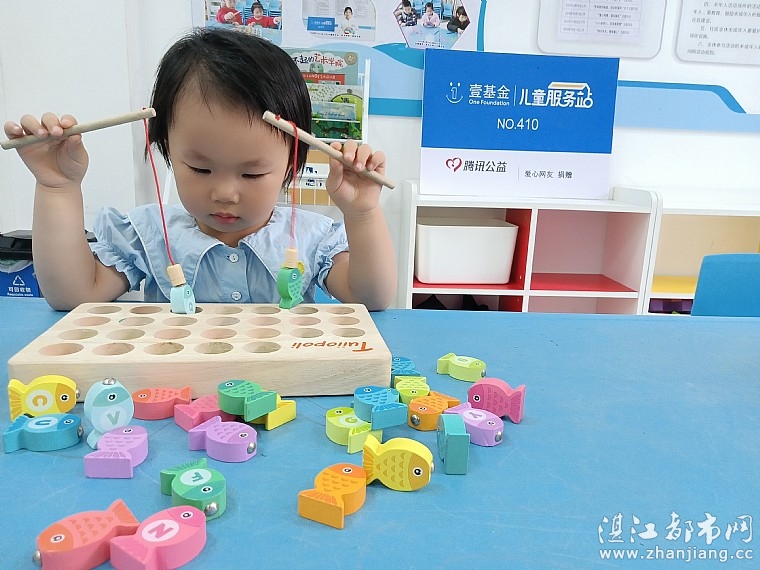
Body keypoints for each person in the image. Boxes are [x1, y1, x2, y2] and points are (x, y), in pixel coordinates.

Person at [3, 27, 397, 312]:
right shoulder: (149, 234)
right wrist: (57, 187)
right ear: (167, 149)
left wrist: (362, 213)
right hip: (175, 395)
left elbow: (372, 299)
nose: (224, 192)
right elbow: (72, 296)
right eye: (200, 168)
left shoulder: (312, 238)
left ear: (291, 163)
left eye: (252, 174)